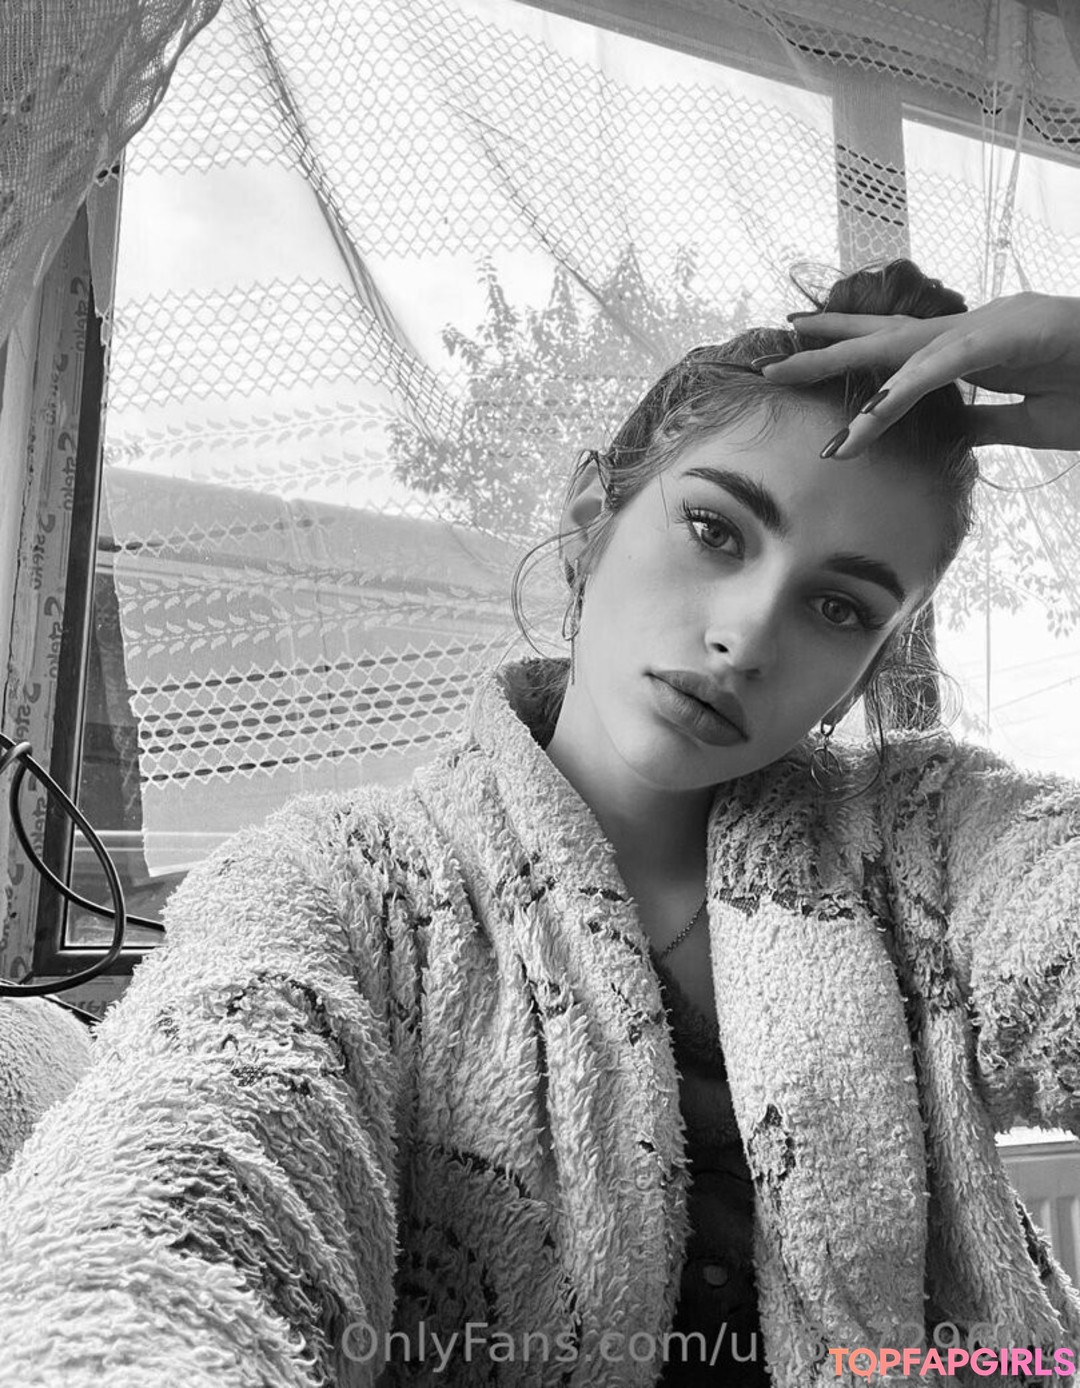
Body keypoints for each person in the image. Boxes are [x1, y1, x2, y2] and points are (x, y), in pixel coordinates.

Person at [0, 262, 1079, 1388]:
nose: (748, 636)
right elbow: (176, 1194)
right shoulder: (336, 887)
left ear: (869, 664)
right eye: (715, 530)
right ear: (588, 520)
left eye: (839, 606)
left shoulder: (933, 842)